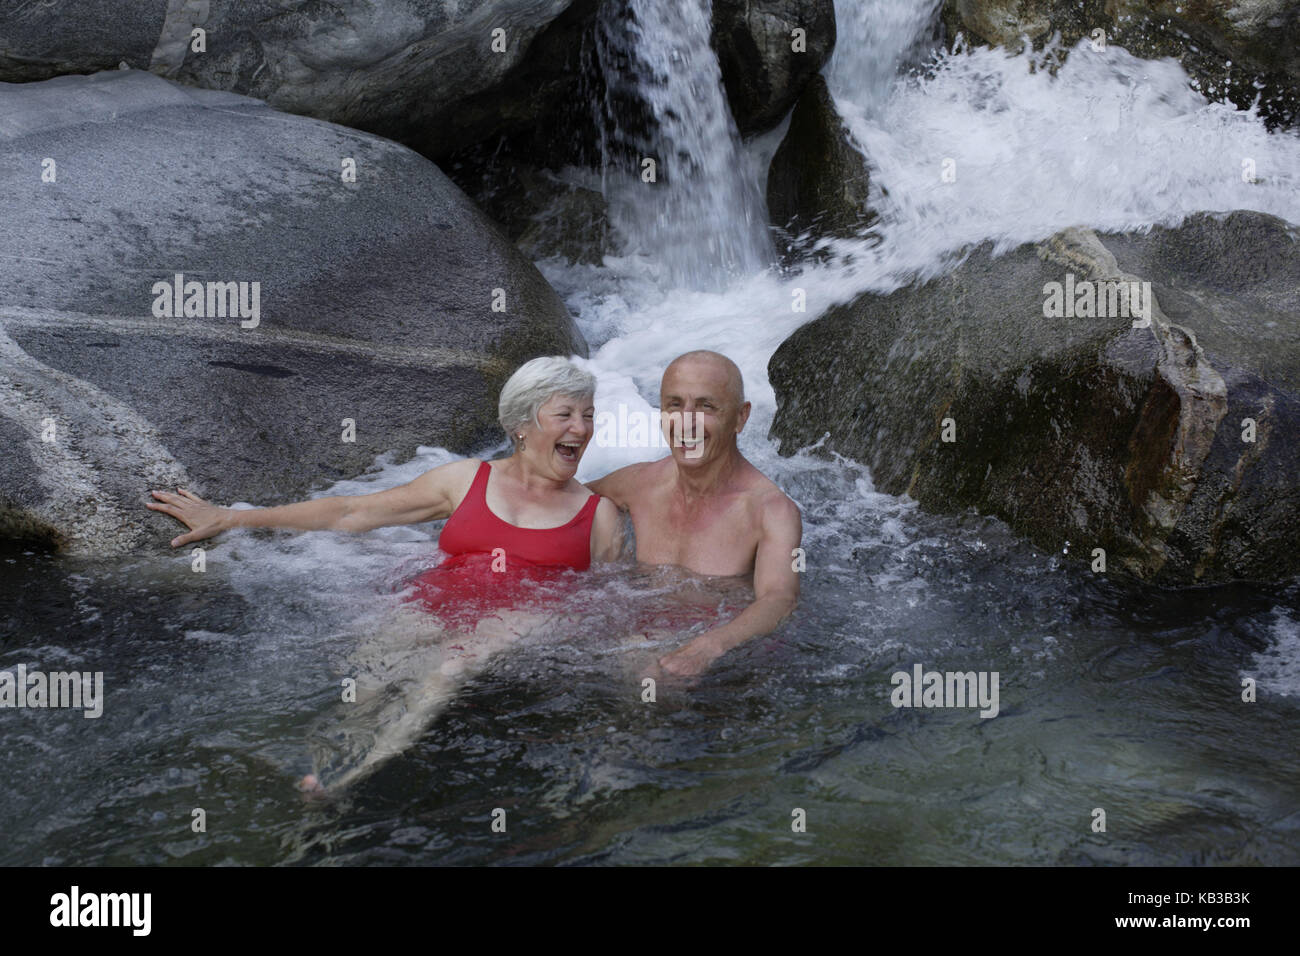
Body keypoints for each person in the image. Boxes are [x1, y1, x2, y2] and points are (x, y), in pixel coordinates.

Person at [146, 356, 621, 790]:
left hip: (523, 615)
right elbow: (352, 512)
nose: (582, 428)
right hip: (439, 598)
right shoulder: (465, 479)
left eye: (589, 415)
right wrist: (231, 517)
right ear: (522, 423)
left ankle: (354, 775)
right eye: (566, 414)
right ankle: (315, 766)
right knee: (372, 671)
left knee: (449, 669)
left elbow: (605, 602)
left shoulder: (597, 515)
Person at [587, 350, 802, 679]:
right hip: (631, 633)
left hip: (718, 659)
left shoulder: (769, 511)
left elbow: (779, 598)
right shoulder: (639, 484)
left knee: (646, 675)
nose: (686, 422)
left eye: (706, 406)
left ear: (740, 418)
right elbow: (559, 498)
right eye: (674, 405)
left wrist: (709, 647)